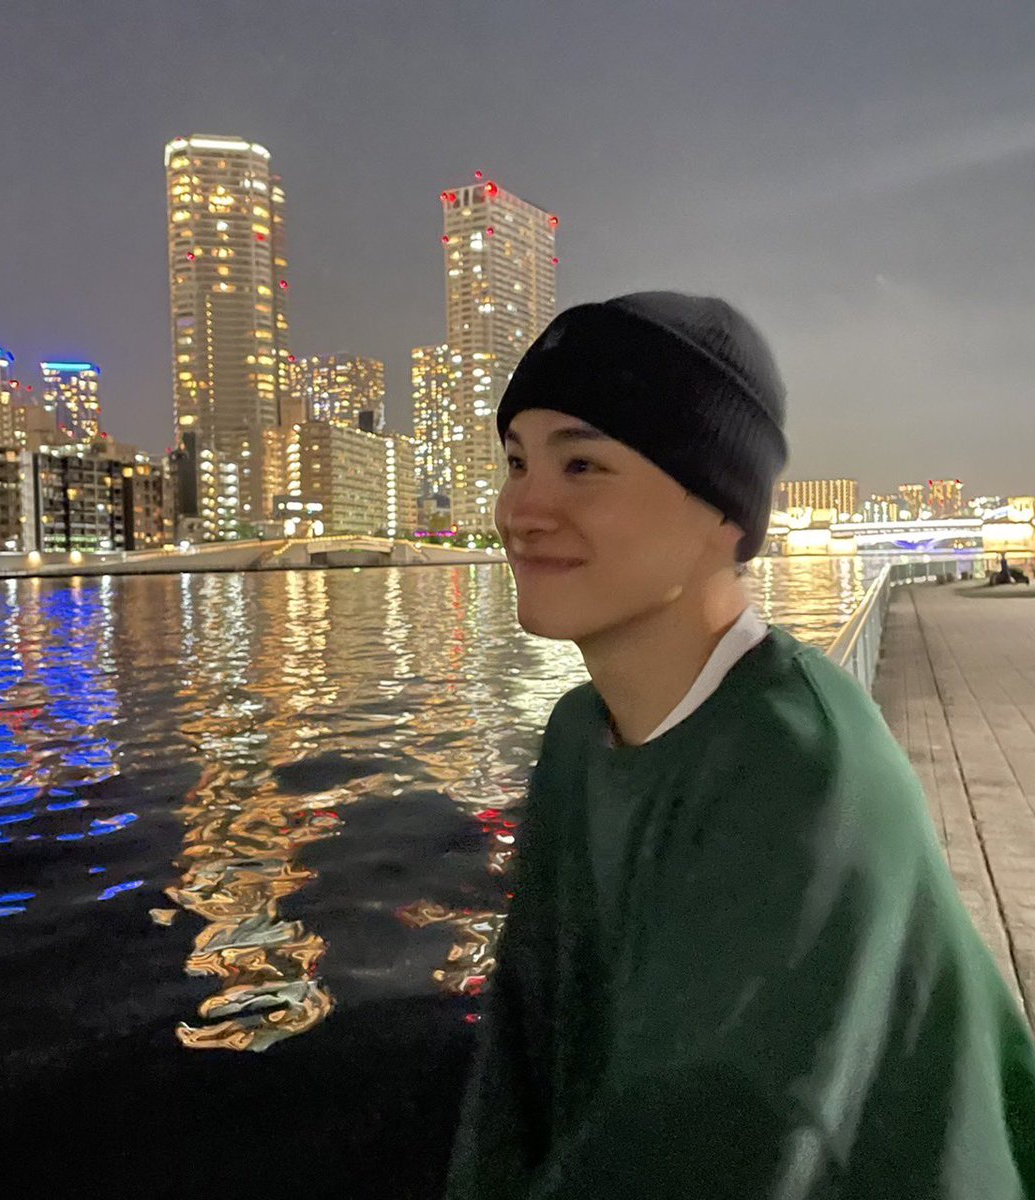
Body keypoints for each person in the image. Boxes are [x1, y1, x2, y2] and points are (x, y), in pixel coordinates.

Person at [443, 291, 1035, 1198]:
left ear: (721, 512)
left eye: (582, 465)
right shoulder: (578, 737)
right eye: (517, 462)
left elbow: (721, 1141)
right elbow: (525, 1050)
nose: (521, 509)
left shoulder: (801, 769)